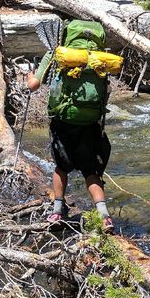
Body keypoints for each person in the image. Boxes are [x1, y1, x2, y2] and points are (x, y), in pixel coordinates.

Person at [26, 19, 115, 234]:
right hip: (91, 122)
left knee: (61, 167)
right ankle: (105, 217)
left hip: (63, 121)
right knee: (90, 170)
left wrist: (29, 74)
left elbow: (33, 85)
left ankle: (57, 211)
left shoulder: (58, 53)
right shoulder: (98, 59)